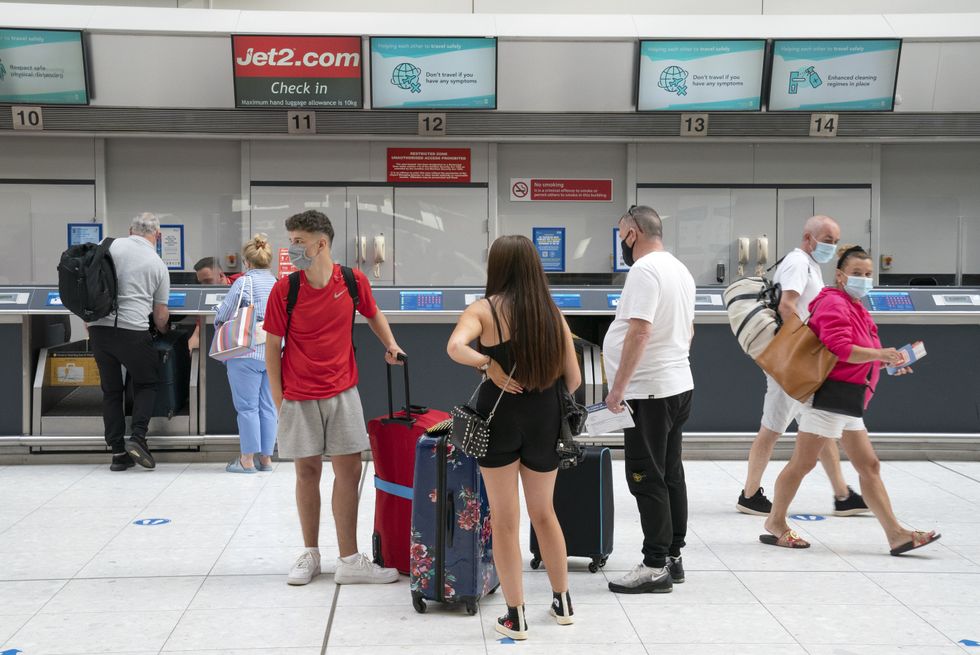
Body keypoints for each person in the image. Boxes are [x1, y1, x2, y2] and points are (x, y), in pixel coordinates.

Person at [761, 245, 941, 555]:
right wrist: (879, 354)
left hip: (849, 398)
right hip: (829, 397)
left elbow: (861, 355)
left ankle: (896, 535)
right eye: (857, 274)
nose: (864, 279)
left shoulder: (856, 306)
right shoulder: (833, 303)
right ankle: (776, 523)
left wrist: (888, 363)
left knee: (868, 465)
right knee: (802, 463)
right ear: (841, 276)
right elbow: (840, 349)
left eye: (869, 274)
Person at [447, 235, 580, 640]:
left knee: (505, 520)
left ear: (496, 267)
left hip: (498, 419)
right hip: (546, 421)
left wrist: (488, 363)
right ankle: (562, 603)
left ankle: (516, 615)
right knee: (545, 514)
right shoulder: (552, 314)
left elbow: (454, 346)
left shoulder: (484, 309)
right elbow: (573, 379)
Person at [263, 210, 404, 586]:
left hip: (343, 391)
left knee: (349, 471)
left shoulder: (352, 281)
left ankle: (349, 559)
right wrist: (279, 401)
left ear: (321, 244)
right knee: (306, 472)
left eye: (298, 242)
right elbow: (272, 347)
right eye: (291, 241)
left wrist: (390, 345)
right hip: (298, 396)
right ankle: (310, 553)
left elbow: (373, 315)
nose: (292, 249)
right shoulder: (285, 289)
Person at [737, 216, 870, 518]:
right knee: (779, 426)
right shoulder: (799, 262)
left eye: (835, 241)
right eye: (826, 239)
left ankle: (842, 493)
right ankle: (750, 494)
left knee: (816, 423)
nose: (831, 245)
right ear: (808, 237)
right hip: (794, 359)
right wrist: (805, 345)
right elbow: (787, 305)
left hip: (797, 359)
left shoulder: (809, 264)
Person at [603, 205, 694, 595]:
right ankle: (672, 556)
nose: (622, 243)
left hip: (649, 392)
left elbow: (639, 332)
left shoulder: (643, 270)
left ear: (633, 233)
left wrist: (619, 388)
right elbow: (688, 330)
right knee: (670, 472)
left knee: (645, 476)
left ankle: (654, 564)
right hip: (676, 385)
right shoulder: (679, 268)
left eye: (622, 234)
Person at [88, 213, 169, 472]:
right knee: (146, 383)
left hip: (99, 330)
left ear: (129, 230)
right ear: (157, 236)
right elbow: (159, 315)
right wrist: (164, 329)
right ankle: (138, 438)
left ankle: (117, 453)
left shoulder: (107, 245)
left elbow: (87, 287)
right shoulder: (157, 263)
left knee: (111, 391)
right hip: (133, 331)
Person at [213, 234, 278, 474]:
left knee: (247, 407)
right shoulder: (278, 283)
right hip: (272, 353)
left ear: (247, 262)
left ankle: (247, 460)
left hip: (246, 352)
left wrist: (219, 324)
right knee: (269, 406)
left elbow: (224, 313)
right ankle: (267, 460)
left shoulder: (243, 283)